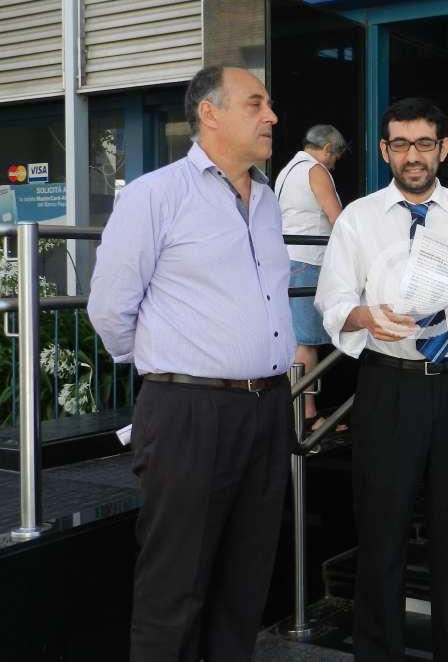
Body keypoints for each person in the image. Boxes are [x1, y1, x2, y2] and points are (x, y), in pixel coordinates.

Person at [314, 97, 448, 662]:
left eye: (424, 144)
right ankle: (378, 652)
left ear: (443, 148)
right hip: (388, 384)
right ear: (385, 150)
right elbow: (332, 302)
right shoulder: (359, 218)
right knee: (382, 529)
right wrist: (365, 317)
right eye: (401, 144)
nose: (412, 156)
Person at [88, 66, 294, 662]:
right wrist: (170, 364)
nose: (271, 116)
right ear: (210, 113)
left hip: (267, 406)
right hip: (188, 412)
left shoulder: (268, 201)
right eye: (255, 103)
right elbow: (109, 308)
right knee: (174, 584)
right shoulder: (155, 195)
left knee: (246, 580)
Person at [274, 124, 347, 426]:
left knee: (295, 341)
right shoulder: (315, 170)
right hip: (308, 262)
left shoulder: (286, 171)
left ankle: (295, 413)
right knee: (306, 342)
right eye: (336, 157)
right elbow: (337, 217)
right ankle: (307, 416)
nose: (335, 163)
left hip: (289, 261)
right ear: (327, 149)